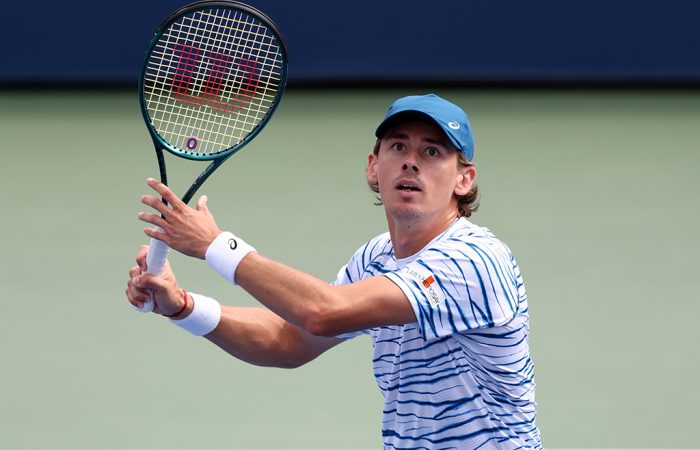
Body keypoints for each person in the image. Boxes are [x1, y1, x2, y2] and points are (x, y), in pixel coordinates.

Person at [126, 94, 542, 448]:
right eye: (398, 147)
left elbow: (324, 312)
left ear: (463, 180)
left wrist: (216, 245)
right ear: (372, 166)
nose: (411, 163)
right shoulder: (376, 257)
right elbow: (289, 339)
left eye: (432, 152)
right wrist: (182, 306)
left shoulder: (476, 260)